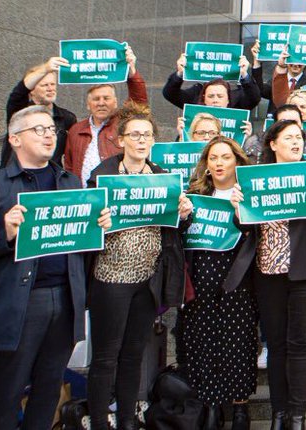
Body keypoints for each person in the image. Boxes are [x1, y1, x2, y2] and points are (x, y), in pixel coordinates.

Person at [0, 106, 112, 430]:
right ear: (14, 139)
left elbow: (82, 244)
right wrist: (4, 233)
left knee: (49, 392)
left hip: (65, 299)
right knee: (7, 392)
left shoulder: (71, 182)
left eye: (51, 129)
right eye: (39, 130)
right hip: (19, 302)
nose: (49, 135)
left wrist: (98, 227)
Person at [84, 104, 192, 430]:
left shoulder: (163, 178)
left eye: (147, 135)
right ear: (121, 141)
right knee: (105, 357)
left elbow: (174, 231)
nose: (141, 141)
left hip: (147, 279)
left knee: (133, 354)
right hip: (110, 278)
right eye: (135, 135)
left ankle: (128, 420)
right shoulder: (102, 177)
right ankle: (100, 421)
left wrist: (185, 214)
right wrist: (95, 222)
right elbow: (86, 228)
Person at [225, 120, 306, 430]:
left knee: (302, 344)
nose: (297, 142)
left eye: (299, 137)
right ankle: (279, 413)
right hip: (267, 272)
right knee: (276, 345)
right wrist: (237, 208)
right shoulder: (254, 177)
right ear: (272, 144)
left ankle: (298, 416)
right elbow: (246, 226)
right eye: (289, 138)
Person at [178, 136, 259, 429]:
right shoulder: (194, 195)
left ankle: (239, 407)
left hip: (237, 280)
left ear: (237, 161)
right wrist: (183, 217)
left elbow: (256, 234)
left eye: (225, 157)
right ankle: (212, 405)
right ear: (206, 165)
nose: (219, 163)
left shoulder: (247, 194)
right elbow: (181, 236)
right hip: (200, 279)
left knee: (237, 342)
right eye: (213, 158)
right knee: (202, 342)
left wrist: (242, 211)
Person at [62, 49, 150, 183]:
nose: (101, 103)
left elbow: (139, 101)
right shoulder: (76, 130)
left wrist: (132, 74)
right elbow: (69, 167)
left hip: (116, 193)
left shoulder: (124, 123)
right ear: (88, 104)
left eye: (106, 98)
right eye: (96, 99)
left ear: (115, 102)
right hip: (84, 196)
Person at [2, 56, 77, 168]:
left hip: (51, 180)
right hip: (18, 178)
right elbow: (19, 91)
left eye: (52, 84)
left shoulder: (67, 118)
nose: (50, 88)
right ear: (31, 91)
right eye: (44, 85)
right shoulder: (19, 111)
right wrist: (46, 68)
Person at [164, 46, 262, 110]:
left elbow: (254, 97)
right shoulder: (194, 100)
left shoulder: (237, 104)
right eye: (210, 96)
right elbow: (170, 93)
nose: (215, 100)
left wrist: (244, 74)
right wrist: (180, 73)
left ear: (228, 99)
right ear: (203, 98)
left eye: (220, 96)